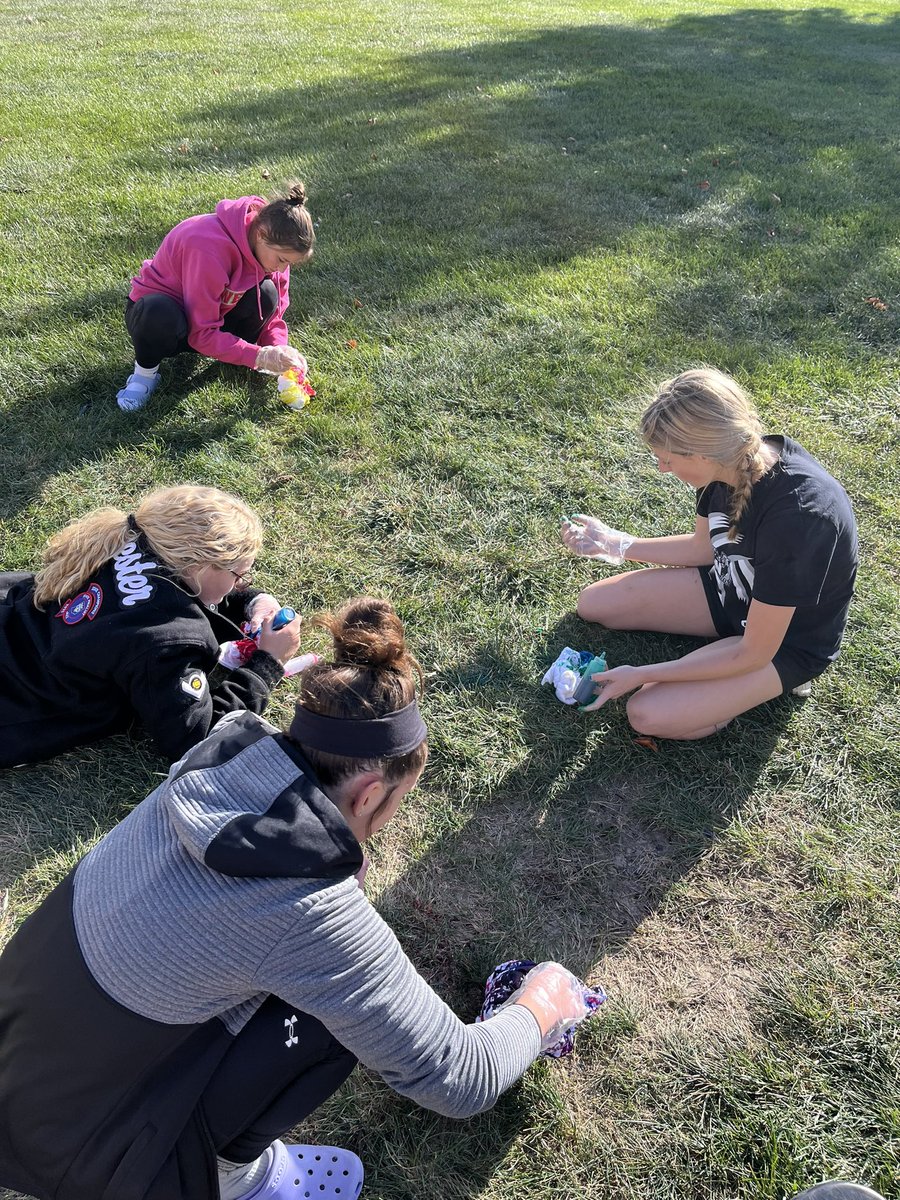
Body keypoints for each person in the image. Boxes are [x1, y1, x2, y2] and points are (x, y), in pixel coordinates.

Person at [0, 597, 595, 1200]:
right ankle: (229, 1181)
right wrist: (540, 1007)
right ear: (367, 795)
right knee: (331, 1022)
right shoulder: (309, 913)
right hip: (73, 1151)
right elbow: (458, 1078)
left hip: (15, 1044)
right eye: (396, 803)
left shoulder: (227, 747)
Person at [560, 368, 858, 740]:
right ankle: (717, 666)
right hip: (731, 592)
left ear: (703, 454)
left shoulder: (801, 518)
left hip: (783, 642)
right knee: (594, 603)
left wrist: (643, 673)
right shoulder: (727, 463)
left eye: (667, 459)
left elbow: (753, 653)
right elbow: (704, 548)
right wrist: (618, 544)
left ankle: (740, 692)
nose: (662, 469)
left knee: (648, 713)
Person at [0, 484, 302, 767]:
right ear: (198, 566)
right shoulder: (167, 642)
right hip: (16, 698)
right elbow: (196, 739)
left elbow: (180, 590)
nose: (242, 584)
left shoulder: (132, 539)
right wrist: (267, 665)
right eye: (240, 576)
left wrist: (251, 601)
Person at [115, 183, 314, 411]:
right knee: (159, 314)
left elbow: (274, 318)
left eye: (288, 263)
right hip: (163, 318)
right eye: (281, 260)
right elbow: (201, 333)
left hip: (213, 316)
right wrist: (259, 356)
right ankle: (144, 375)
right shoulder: (206, 246)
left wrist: (281, 353)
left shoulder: (274, 250)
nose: (282, 269)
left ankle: (231, 352)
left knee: (267, 293)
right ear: (260, 234)